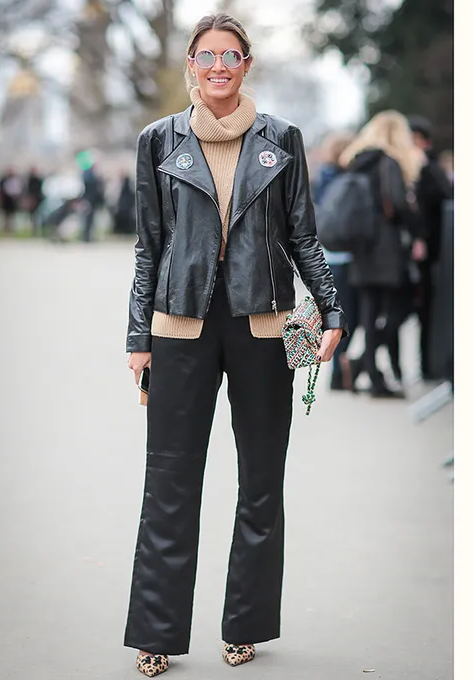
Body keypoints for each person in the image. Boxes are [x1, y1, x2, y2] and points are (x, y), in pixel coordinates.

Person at [124, 12, 347, 678]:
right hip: (179, 327)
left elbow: (303, 235)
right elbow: (148, 246)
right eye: (207, 55)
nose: (218, 66)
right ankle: (157, 633)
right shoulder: (158, 140)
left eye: (230, 55)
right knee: (169, 483)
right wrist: (138, 336)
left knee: (261, 482)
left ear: (247, 64)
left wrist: (331, 308)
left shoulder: (283, 138)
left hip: (265, 327)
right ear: (191, 65)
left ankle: (244, 626)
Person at [338, 110, 426, 397]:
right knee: (398, 308)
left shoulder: (357, 162)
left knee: (370, 311)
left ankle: (370, 372)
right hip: (386, 247)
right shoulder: (389, 162)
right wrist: (416, 228)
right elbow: (398, 203)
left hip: (361, 248)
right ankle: (367, 368)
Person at [407, 115, 453, 380]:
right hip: (414, 253)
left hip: (434, 253)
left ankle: (430, 365)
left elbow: (443, 199)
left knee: (428, 308)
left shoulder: (430, 169)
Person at [312, 131, 359, 390]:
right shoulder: (346, 180)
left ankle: (337, 372)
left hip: (327, 254)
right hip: (344, 256)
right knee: (349, 316)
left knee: (339, 314)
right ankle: (339, 371)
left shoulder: (323, 178)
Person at [80, 163, 105, 242]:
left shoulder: (89, 175)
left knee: (90, 220)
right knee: (88, 220)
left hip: (92, 201)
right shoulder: (89, 176)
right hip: (89, 200)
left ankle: (88, 237)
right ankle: (86, 237)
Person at [0, 167, 23, 235]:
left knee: (12, 216)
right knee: (4, 216)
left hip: (13, 200)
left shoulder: (16, 180)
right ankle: (3, 230)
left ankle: (11, 230)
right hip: (5, 200)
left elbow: (19, 189)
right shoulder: (3, 180)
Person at [24, 166, 44, 235]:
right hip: (31, 200)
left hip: (38, 200)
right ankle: (33, 229)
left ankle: (39, 229)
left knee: (39, 215)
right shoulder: (29, 180)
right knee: (32, 216)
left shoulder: (39, 180)